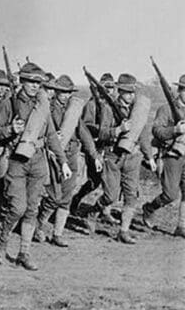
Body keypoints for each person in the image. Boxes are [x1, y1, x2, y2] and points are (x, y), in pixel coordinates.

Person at [0, 62, 72, 270]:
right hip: (16, 161)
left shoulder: (43, 106)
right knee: (18, 207)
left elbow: (51, 135)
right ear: (22, 81)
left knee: (32, 209)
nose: (35, 86)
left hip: (38, 161)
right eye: (31, 82)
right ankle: (3, 240)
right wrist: (10, 129)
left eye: (38, 83)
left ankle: (24, 253)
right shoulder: (9, 103)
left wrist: (62, 161)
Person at [85, 73, 155, 243]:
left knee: (131, 195)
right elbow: (101, 134)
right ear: (120, 91)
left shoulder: (138, 110)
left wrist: (149, 156)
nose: (131, 96)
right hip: (113, 155)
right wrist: (118, 130)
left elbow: (143, 134)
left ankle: (123, 231)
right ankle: (94, 211)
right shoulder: (109, 108)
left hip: (133, 157)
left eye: (133, 92)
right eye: (127, 92)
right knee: (111, 196)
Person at [34, 75, 102, 247]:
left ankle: (58, 233)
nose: (64, 95)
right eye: (62, 92)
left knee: (67, 195)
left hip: (71, 154)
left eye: (68, 92)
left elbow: (84, 133)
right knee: (54, 195)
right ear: (55, 91)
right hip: (54, 154)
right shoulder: (47, 109)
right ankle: (38, 226)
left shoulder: (73, 111)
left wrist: (94, 156)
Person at [141, 74, 185, 238]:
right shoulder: (166, 109)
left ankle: (181, 226)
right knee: (170, 194)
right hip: (171, 155)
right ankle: (149, 208)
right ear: (179, 90)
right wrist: (175, 130)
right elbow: (157, 131)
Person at [70, 73, 117, 216]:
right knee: (94, 181)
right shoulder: (92, 105)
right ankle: (75, 200)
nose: (109, 90)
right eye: (105, 88)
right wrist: (103, 130)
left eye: (111, 87)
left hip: (109, 147)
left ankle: (105, 211)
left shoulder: (114, 105)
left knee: (111, 181)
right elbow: (87, 126)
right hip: (95, 146)